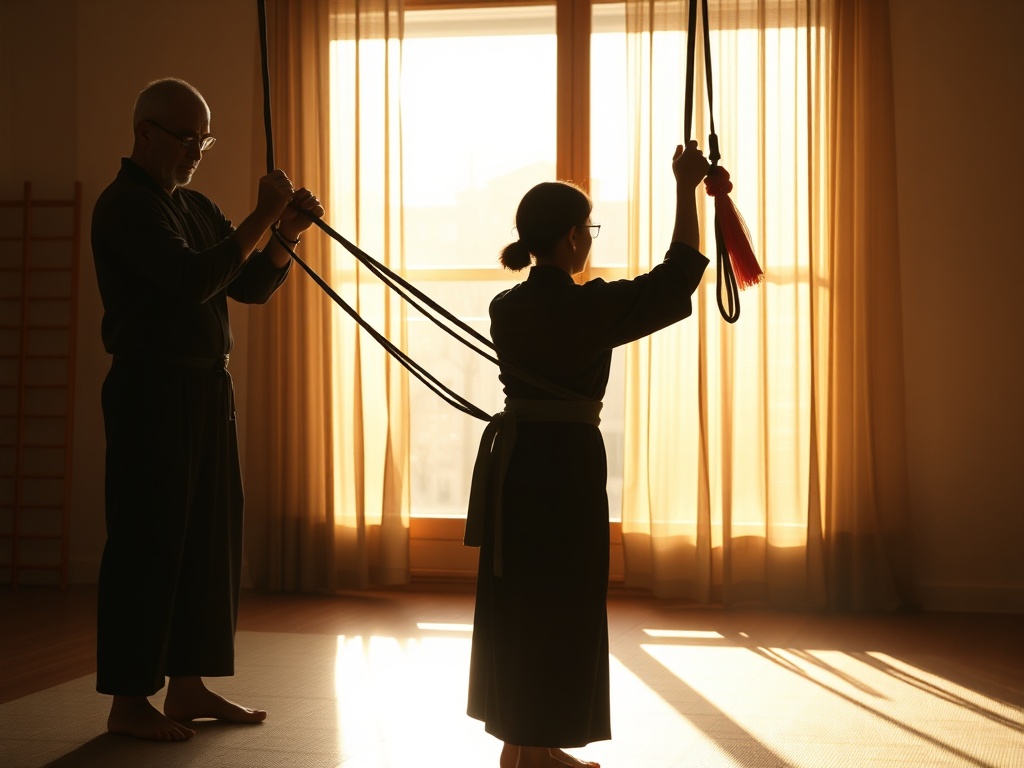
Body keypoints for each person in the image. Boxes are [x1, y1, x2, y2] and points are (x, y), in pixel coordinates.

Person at [91, 77, 324, 742]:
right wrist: (260, 216)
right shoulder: (126, 207)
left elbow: (247, 285)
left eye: (205, 138)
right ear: (145, 133)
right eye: (186, 136)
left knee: (206, 538)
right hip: (150, 389)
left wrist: (286, 232)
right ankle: (129, 700)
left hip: (205, 389)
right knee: (148, 539)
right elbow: (195, 282)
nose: (197, 150)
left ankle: (189, 688)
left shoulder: (192, 205)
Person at [466, 141, 711, 768]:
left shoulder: (507, 305)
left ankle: (527, 746)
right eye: (590, 230)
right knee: (562, 600)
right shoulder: (587, 306)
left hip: (516, 466)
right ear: (575, 237)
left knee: (522, 597)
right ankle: (535, 746)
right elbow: (678, 275)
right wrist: (686, 188)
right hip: (566, 464)